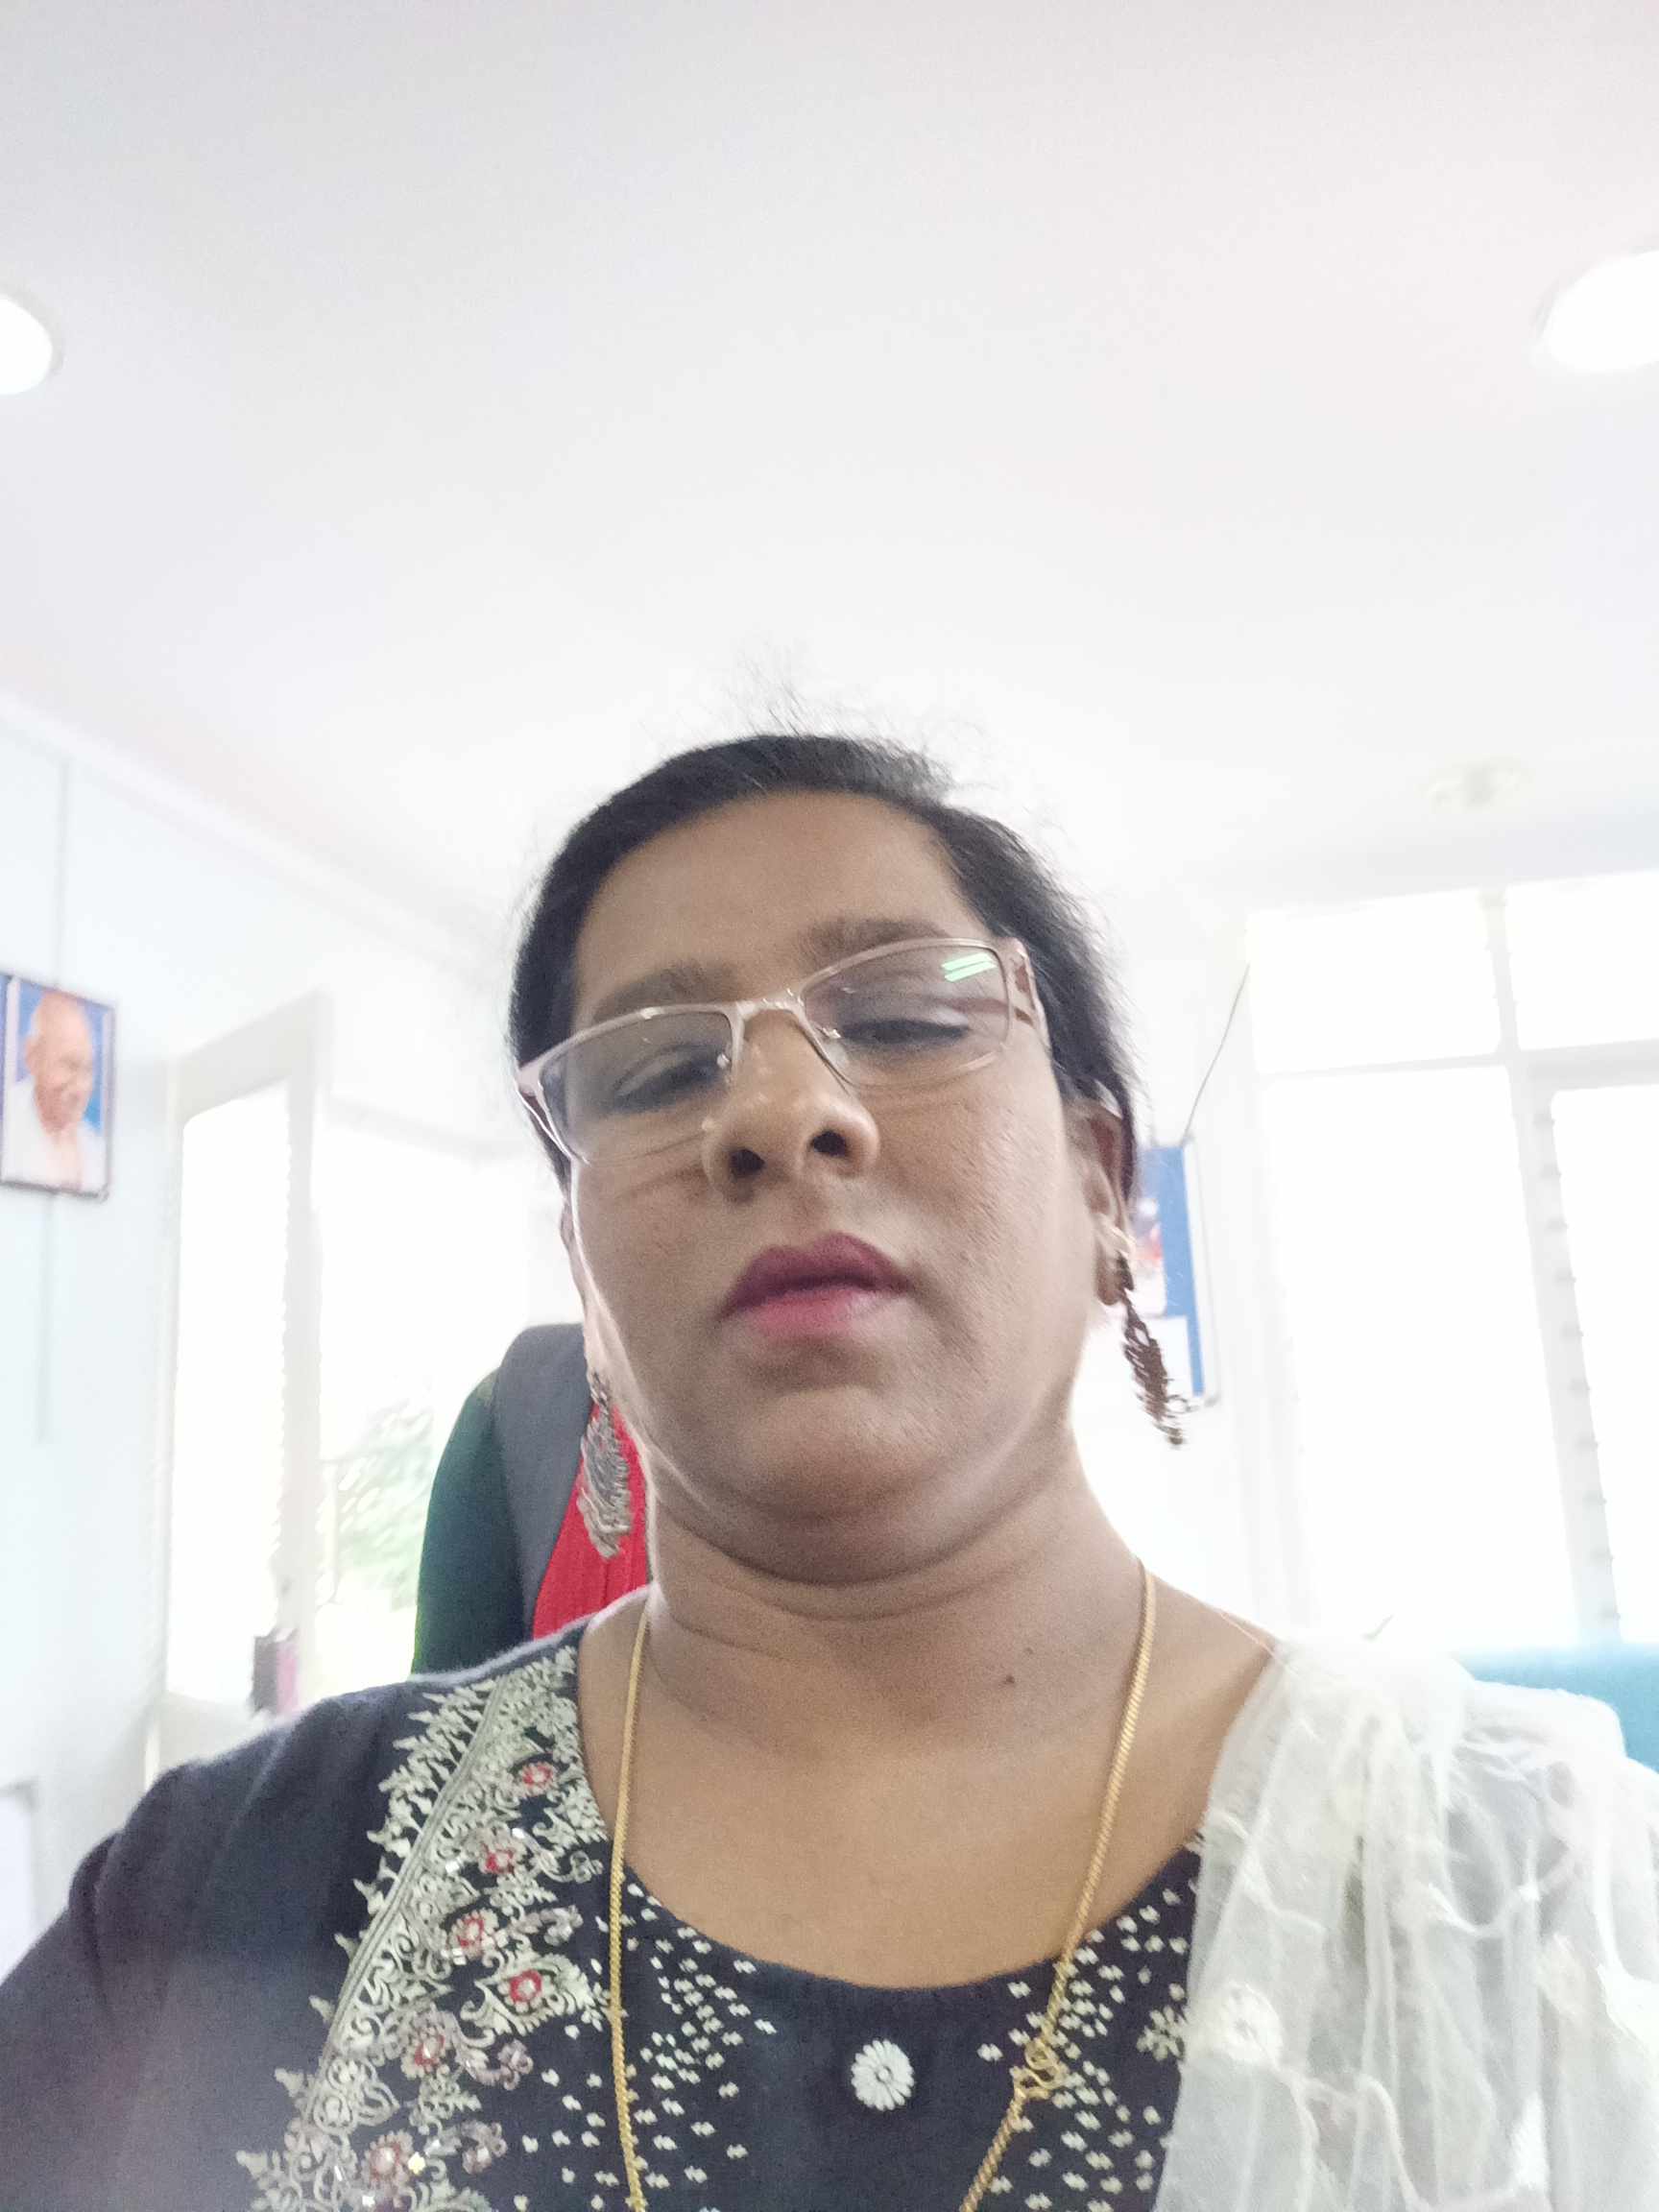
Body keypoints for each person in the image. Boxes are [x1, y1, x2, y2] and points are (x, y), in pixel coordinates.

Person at [1, 733, 1655, 2212]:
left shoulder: (1541, 1893)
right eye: (657, 1069)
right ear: (582, 1269)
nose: (782, 1112)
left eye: (905, 1014)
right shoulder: (223, 1880)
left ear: (1104, 1182)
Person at [1, 987, 107, 1194]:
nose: (80, 1087)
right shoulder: (7, 1120)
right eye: (69, 1065)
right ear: (33, 1057)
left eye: (87, 1069)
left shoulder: (94, 1147)